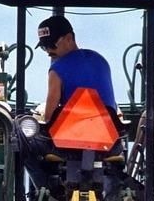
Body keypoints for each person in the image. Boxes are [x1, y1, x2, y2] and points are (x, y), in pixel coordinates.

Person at [16, 15, 118, 190]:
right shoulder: (101, 61)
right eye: (44, 47)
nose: (48, 51)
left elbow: (48, 117)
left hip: (66, 148)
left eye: (51, 45)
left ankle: (45, 188)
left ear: (69, 38)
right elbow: (111, 105)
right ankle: (114, 190)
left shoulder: (57, 70)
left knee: (19, 132)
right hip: (108, 145)